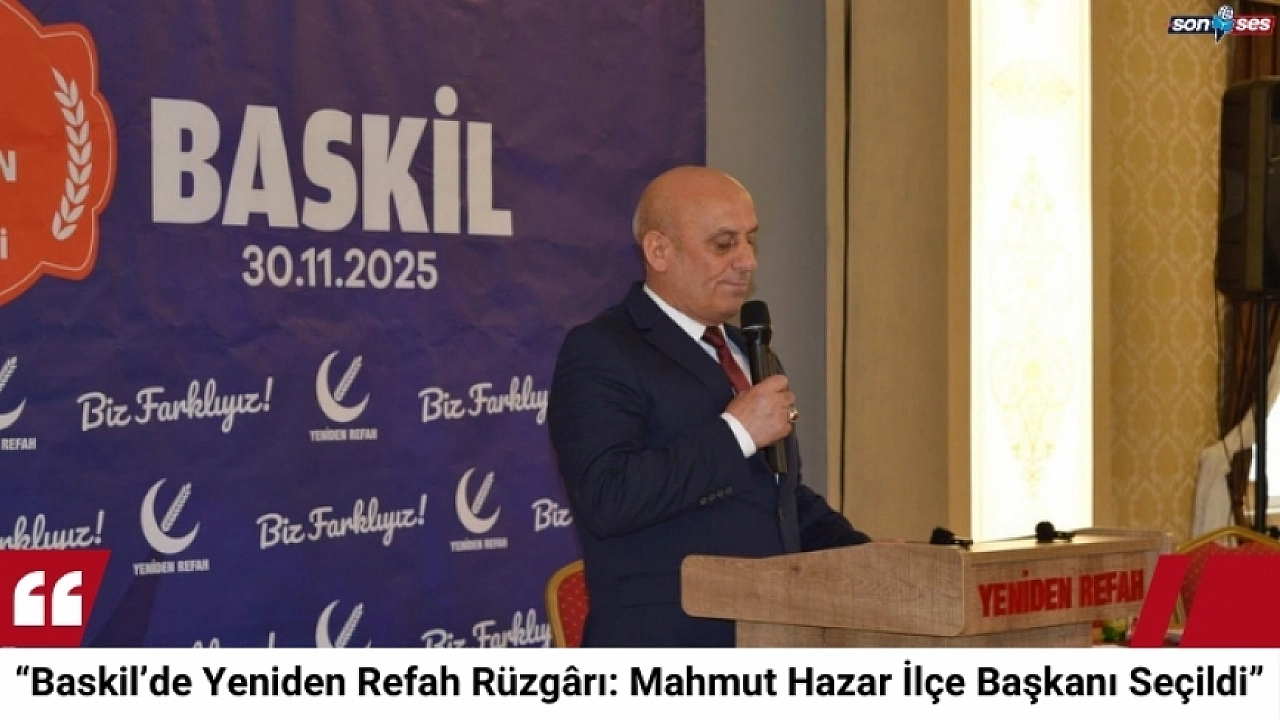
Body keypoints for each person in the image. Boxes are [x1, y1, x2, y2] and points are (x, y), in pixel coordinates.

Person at [547, 166, 871, 647]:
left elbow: (776, 499)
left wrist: (867, 557)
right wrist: (736, 432)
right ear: (659, 251)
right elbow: (608, 498)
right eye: (724, 244)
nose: (747, 261)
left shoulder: (750, 352)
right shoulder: (603, 350)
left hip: (773, 637)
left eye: (750, 240)